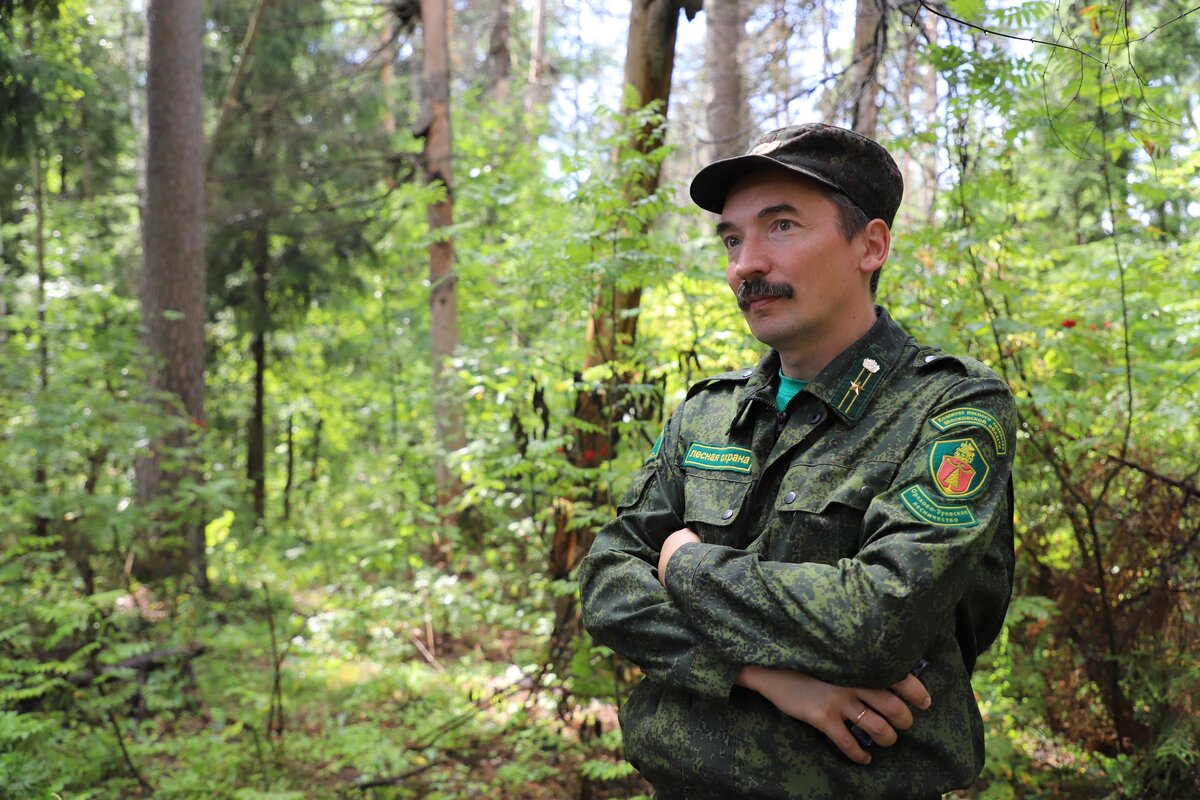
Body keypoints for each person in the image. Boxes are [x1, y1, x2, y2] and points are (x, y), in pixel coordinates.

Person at [577, 123, 1016, 800]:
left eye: (781, 226)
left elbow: (880, 621)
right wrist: (764, 676)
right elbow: (607, 583)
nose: (746, 263)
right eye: (732, 238)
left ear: (870, 245)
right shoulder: (709, 413)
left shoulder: (949, 409)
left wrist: (685, 566)